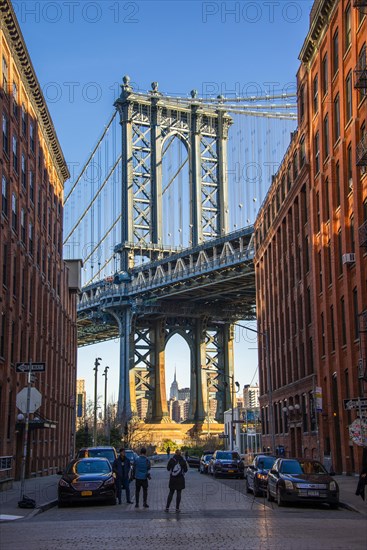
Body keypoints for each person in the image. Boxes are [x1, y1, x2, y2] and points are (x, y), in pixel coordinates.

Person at [165, 448, 188, 513]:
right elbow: (186, 470)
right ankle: (177, 508)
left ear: (175, 453)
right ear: (180, 454)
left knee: (171, 492)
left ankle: (167, 507)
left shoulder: (172, 460)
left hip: (173, 478)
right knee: (179, 493)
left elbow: (168, 468)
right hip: (180, 479)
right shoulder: (183, 460)